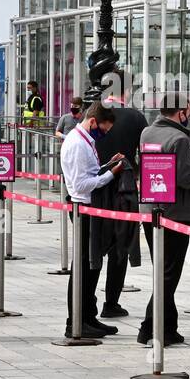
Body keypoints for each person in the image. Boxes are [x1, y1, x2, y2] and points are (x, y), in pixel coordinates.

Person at [136, 98, 190, 347]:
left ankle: (169, 327)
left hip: (150, 208)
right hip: (175, 213)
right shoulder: (180, 139)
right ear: (181, 112)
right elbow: (185, 178)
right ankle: (149, 327)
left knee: (162, 271)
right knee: (168, 274)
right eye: (189, 109)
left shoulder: (147, 132)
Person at [59, 101, 125, 339]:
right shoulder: (77, 144)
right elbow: (80, 184)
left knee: (91, 264)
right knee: (84, 266)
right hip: (83, 208)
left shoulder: (86, 140)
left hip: (90, 207)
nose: (105, 134)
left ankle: (88, 317)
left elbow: (89, 172)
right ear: (93, 121)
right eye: (104, 129)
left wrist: (107, 165)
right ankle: (75, 321)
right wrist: (111, 174)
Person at [93, 100, 148, 318]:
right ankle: (111, 302)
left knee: (93, 246)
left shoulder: (93, 112)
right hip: (124, 187)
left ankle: (88, 302)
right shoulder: (135, 117)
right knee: (120, 246)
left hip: (94, 190)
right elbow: (145, 153)